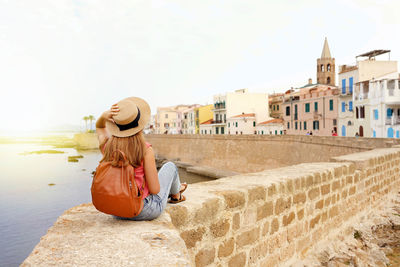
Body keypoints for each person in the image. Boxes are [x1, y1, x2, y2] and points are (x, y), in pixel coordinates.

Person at [95, 97, 187, 221]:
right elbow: (155, 190)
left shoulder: (107, 146)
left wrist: (104, 116)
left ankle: (177, 189)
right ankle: (176, 194)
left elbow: (100, 128)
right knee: (170, 167)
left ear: (116, 125)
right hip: (142, 210)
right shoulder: (145, 150)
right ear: (140, 125)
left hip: (116, 210)